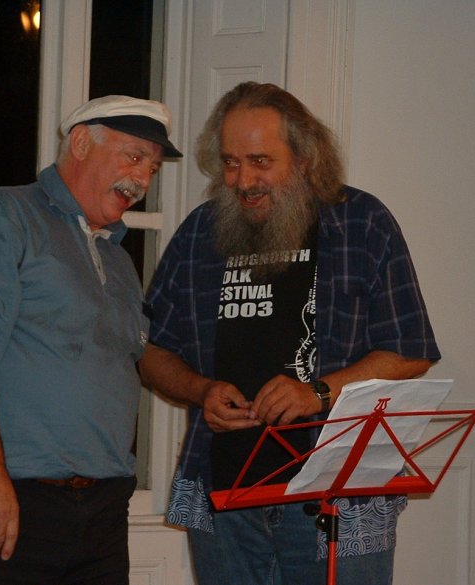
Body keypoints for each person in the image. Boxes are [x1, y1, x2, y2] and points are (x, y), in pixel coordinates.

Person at [139, 82, 440, 585]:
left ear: (303, 159)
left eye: (260, 161)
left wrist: (317, 392)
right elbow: (151, 353)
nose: (242, 179)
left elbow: (410, 352)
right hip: (225, 499)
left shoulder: (362, 222)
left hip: (338, 499)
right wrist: (201, 390)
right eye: (231, 162)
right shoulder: (198, 233)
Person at [0, 94, 183, 584]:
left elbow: (136, 361)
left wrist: (206, 390)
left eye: (153, 167)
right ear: (81, 142)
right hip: (10, 500)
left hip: (101, 512)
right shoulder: (0, 217)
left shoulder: (120, 261)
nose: (143, 180)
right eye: (133, 157)